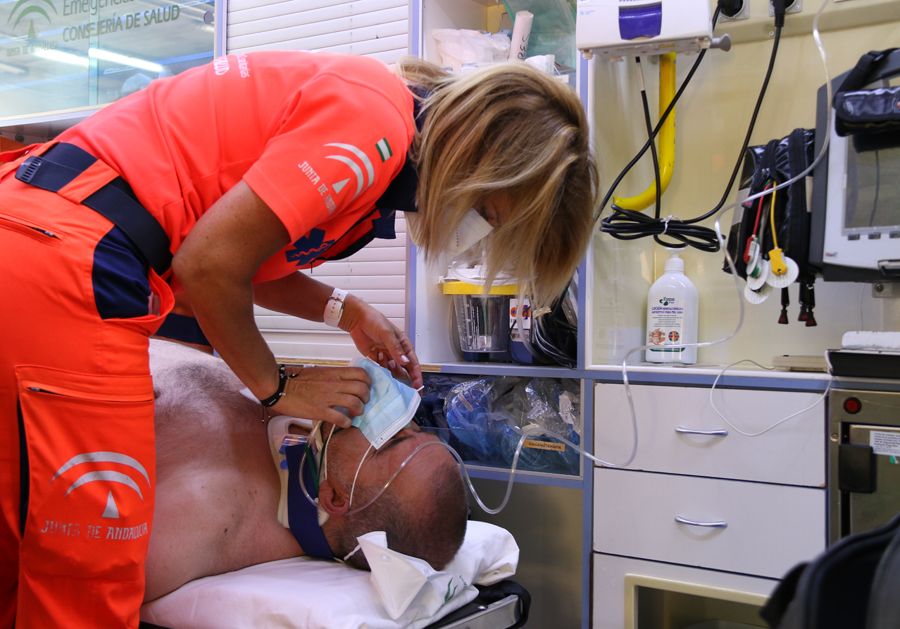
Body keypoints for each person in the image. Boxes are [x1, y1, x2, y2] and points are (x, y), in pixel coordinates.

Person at [0, 49, 597, 627]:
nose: (477, 235)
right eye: (492, 217)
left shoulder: (374, 162)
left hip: (50, 242)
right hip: (71, 251)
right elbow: (208, 265)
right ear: (483, 161)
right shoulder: (373, 128)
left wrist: (345, 311)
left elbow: (246, 257)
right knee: (89, 574)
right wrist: (277, 385)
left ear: (337, 499)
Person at [143, 339, 467, 602]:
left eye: (392, 439)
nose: (398, 418)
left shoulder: (200, 522)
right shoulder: (298, 413)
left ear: (336, 497)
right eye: (415, 429)